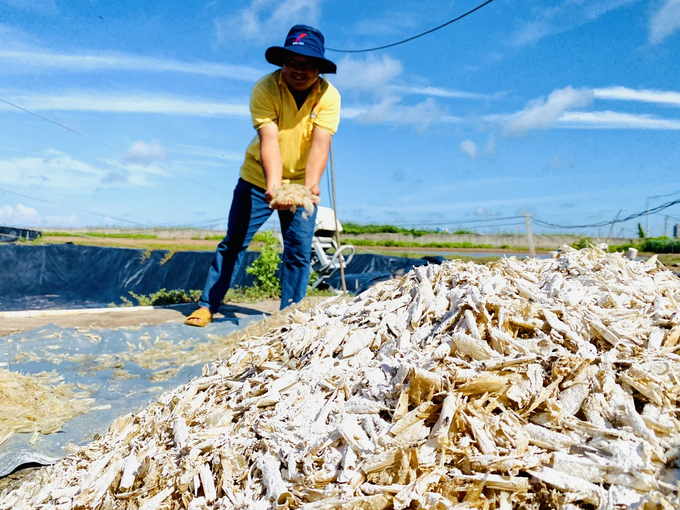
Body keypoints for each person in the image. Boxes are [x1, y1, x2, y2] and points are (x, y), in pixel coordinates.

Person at [185, 24, 341, 327]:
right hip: (258, 179)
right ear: (282, 62)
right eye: (293, 61)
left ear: (319, 69)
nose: (300, 69)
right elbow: (269, 141)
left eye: (308, 64)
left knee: (298, 251)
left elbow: (320, 146)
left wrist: (309, 190)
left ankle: (289, 316)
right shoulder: (264, 89)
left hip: (301, 185)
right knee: (234, 243)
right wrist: (273, 189)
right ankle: (207, 305)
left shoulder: (329, 97)